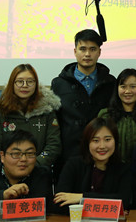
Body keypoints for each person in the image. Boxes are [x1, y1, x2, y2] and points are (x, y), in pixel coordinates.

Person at [51, 29, 116, 174]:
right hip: (69, 156)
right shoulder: (59, 84)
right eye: (83, 49)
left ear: (99, 52)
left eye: (92, 49)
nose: (87, 54)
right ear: (75, 51)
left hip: (103, 155)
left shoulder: (110, 82)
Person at [54, 117, 132, 212]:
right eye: (96, 140)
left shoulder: (124, 169)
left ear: (115, 141)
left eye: (107, 139)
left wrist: (81, 198)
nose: (102, 146)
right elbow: (60, 201)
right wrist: (107, 203)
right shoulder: (73, 165)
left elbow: (123, 202)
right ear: (87, 143)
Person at [0, 64, 61, 168]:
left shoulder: (47, 111)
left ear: (36, 84)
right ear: (12, 84)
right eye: (19, 81)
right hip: (8, 171)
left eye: (30, 81)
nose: (25, 85)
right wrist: (9, 169)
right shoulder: (1, 112)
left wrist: (33, 165)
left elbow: (53, 145)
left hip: (38, 170)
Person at [98, 68, 136, 163]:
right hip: (112, 168)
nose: (127, 91)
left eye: (133, 86)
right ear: (117, 89)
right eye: (123, 87)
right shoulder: (105, 115)